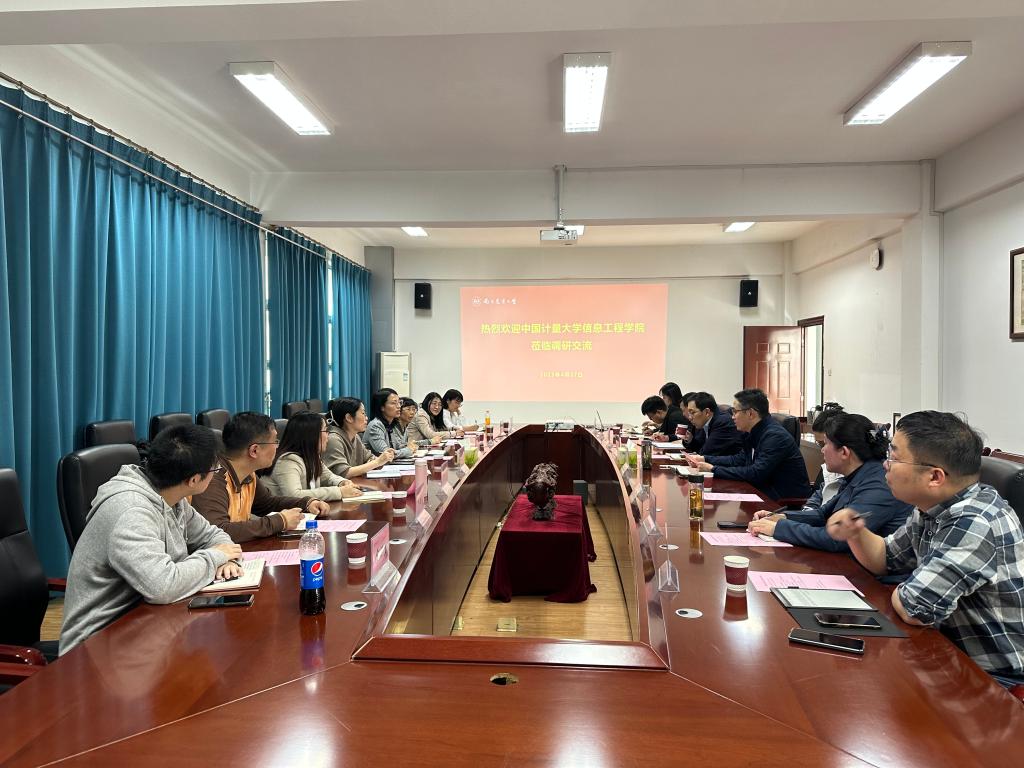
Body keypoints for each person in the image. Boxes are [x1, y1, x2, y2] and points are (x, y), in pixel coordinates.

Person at [828, 411, 1024, 689]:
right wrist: (856, 533)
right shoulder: (933, 508)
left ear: (934, 476)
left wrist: (908, 588)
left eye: (895, 457)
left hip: (995, 679)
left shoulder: (975, 522)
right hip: (943, 651)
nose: (885, 464)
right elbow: (886, 558)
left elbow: (916, 608)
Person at [60, 425, 242, 655]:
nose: (218, 473)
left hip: (147, 624)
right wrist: (217, 556)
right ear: (194, 480)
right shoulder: (131, 512)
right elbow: (162, 586)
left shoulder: (173, 496)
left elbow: (213, 535)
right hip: (95, 646)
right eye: (215, 469)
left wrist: (227, 559)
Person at [748, 412, 912, 551]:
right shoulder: (859, 474)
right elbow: (822, 515)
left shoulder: (878, 485)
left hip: (871, 576)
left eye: (826, 443)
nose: (822, 449)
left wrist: (779, 528)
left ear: (844, 452)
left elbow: (839, 538)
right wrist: (782, 517)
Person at [192, 412, 328, 542]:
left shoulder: (248, 474)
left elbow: (267, 504)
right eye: (275, 441)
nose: (277, 447)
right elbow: (219, 531)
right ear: (254, 450)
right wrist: (280, 521)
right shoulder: (212, 479)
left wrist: (306, 503)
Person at [689, 388, 812, 500]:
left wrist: (713, 469)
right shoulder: (752, 432)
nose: (732, 417)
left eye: (735, 412)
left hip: (782, 500)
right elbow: (739, 459)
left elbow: (755, 473)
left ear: (750, 413)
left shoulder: (774, 436)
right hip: (760, 491)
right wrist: (705, 459)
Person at [264, 411, 363, 501]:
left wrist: (342, 482)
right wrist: (339, 492)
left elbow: (328, 477)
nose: (328, 435)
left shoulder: (311, 455)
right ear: (312, 435)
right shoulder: (287, 461)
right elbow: (294, 495)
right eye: (325, 431)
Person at [323, 397, 395, 477]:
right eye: (363, 413)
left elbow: (369, 458)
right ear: (349, 418)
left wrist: (382, 459)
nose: (366, 418)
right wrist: (377, 462)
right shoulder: (333, 439)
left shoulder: (355, 436)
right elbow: (343, 473)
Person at [363, 387, 417, 458]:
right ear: (382, 407)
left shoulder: (391, 424)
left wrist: (410, 446)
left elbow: (398, 446)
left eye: (399, 403)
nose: (399, 406)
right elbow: (386, 454)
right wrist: (408, 450)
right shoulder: (375, 425)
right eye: (394, 403)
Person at [683, 391, 743, 456]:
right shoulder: (704, 422)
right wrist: (690, 440)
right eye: (689, 413)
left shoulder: (723, 423)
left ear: (707, 412)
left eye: (692, 412)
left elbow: (706, 453)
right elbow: (701, 449)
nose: (690, 417)